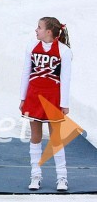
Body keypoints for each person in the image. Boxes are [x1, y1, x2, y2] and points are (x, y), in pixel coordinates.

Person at [20, 17, 72, 192]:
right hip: (34, 97)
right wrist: (22, 98)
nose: (36, 30)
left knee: (55, 138)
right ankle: (35, 175)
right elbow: (26, 73)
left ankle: (62, 177)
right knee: (35, 136)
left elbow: (65, 79)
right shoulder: (31, 46)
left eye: (39, 27)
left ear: (48, 31)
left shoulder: (64, 51)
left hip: (53, 99)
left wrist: (64, 103)